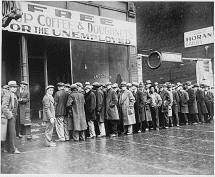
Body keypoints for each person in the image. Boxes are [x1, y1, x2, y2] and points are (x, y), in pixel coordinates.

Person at [2, 81, 21, 153]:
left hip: (13, 116)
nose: (15, 88)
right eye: (13, 87)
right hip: (10, 116)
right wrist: (10, 116)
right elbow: (4, 107)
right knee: (12, 133)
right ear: (9, 88)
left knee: (10, 133)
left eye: (15, 87)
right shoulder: (7, 95)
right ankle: (13, 149)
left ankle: (7, 148)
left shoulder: (13, 95)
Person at [1, 85, 9, 152]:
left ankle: (3, 147)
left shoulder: (7, 96)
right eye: (4, 89)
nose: (5, 90)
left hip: (3, 115)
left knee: (4, 132)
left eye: (7, 89)